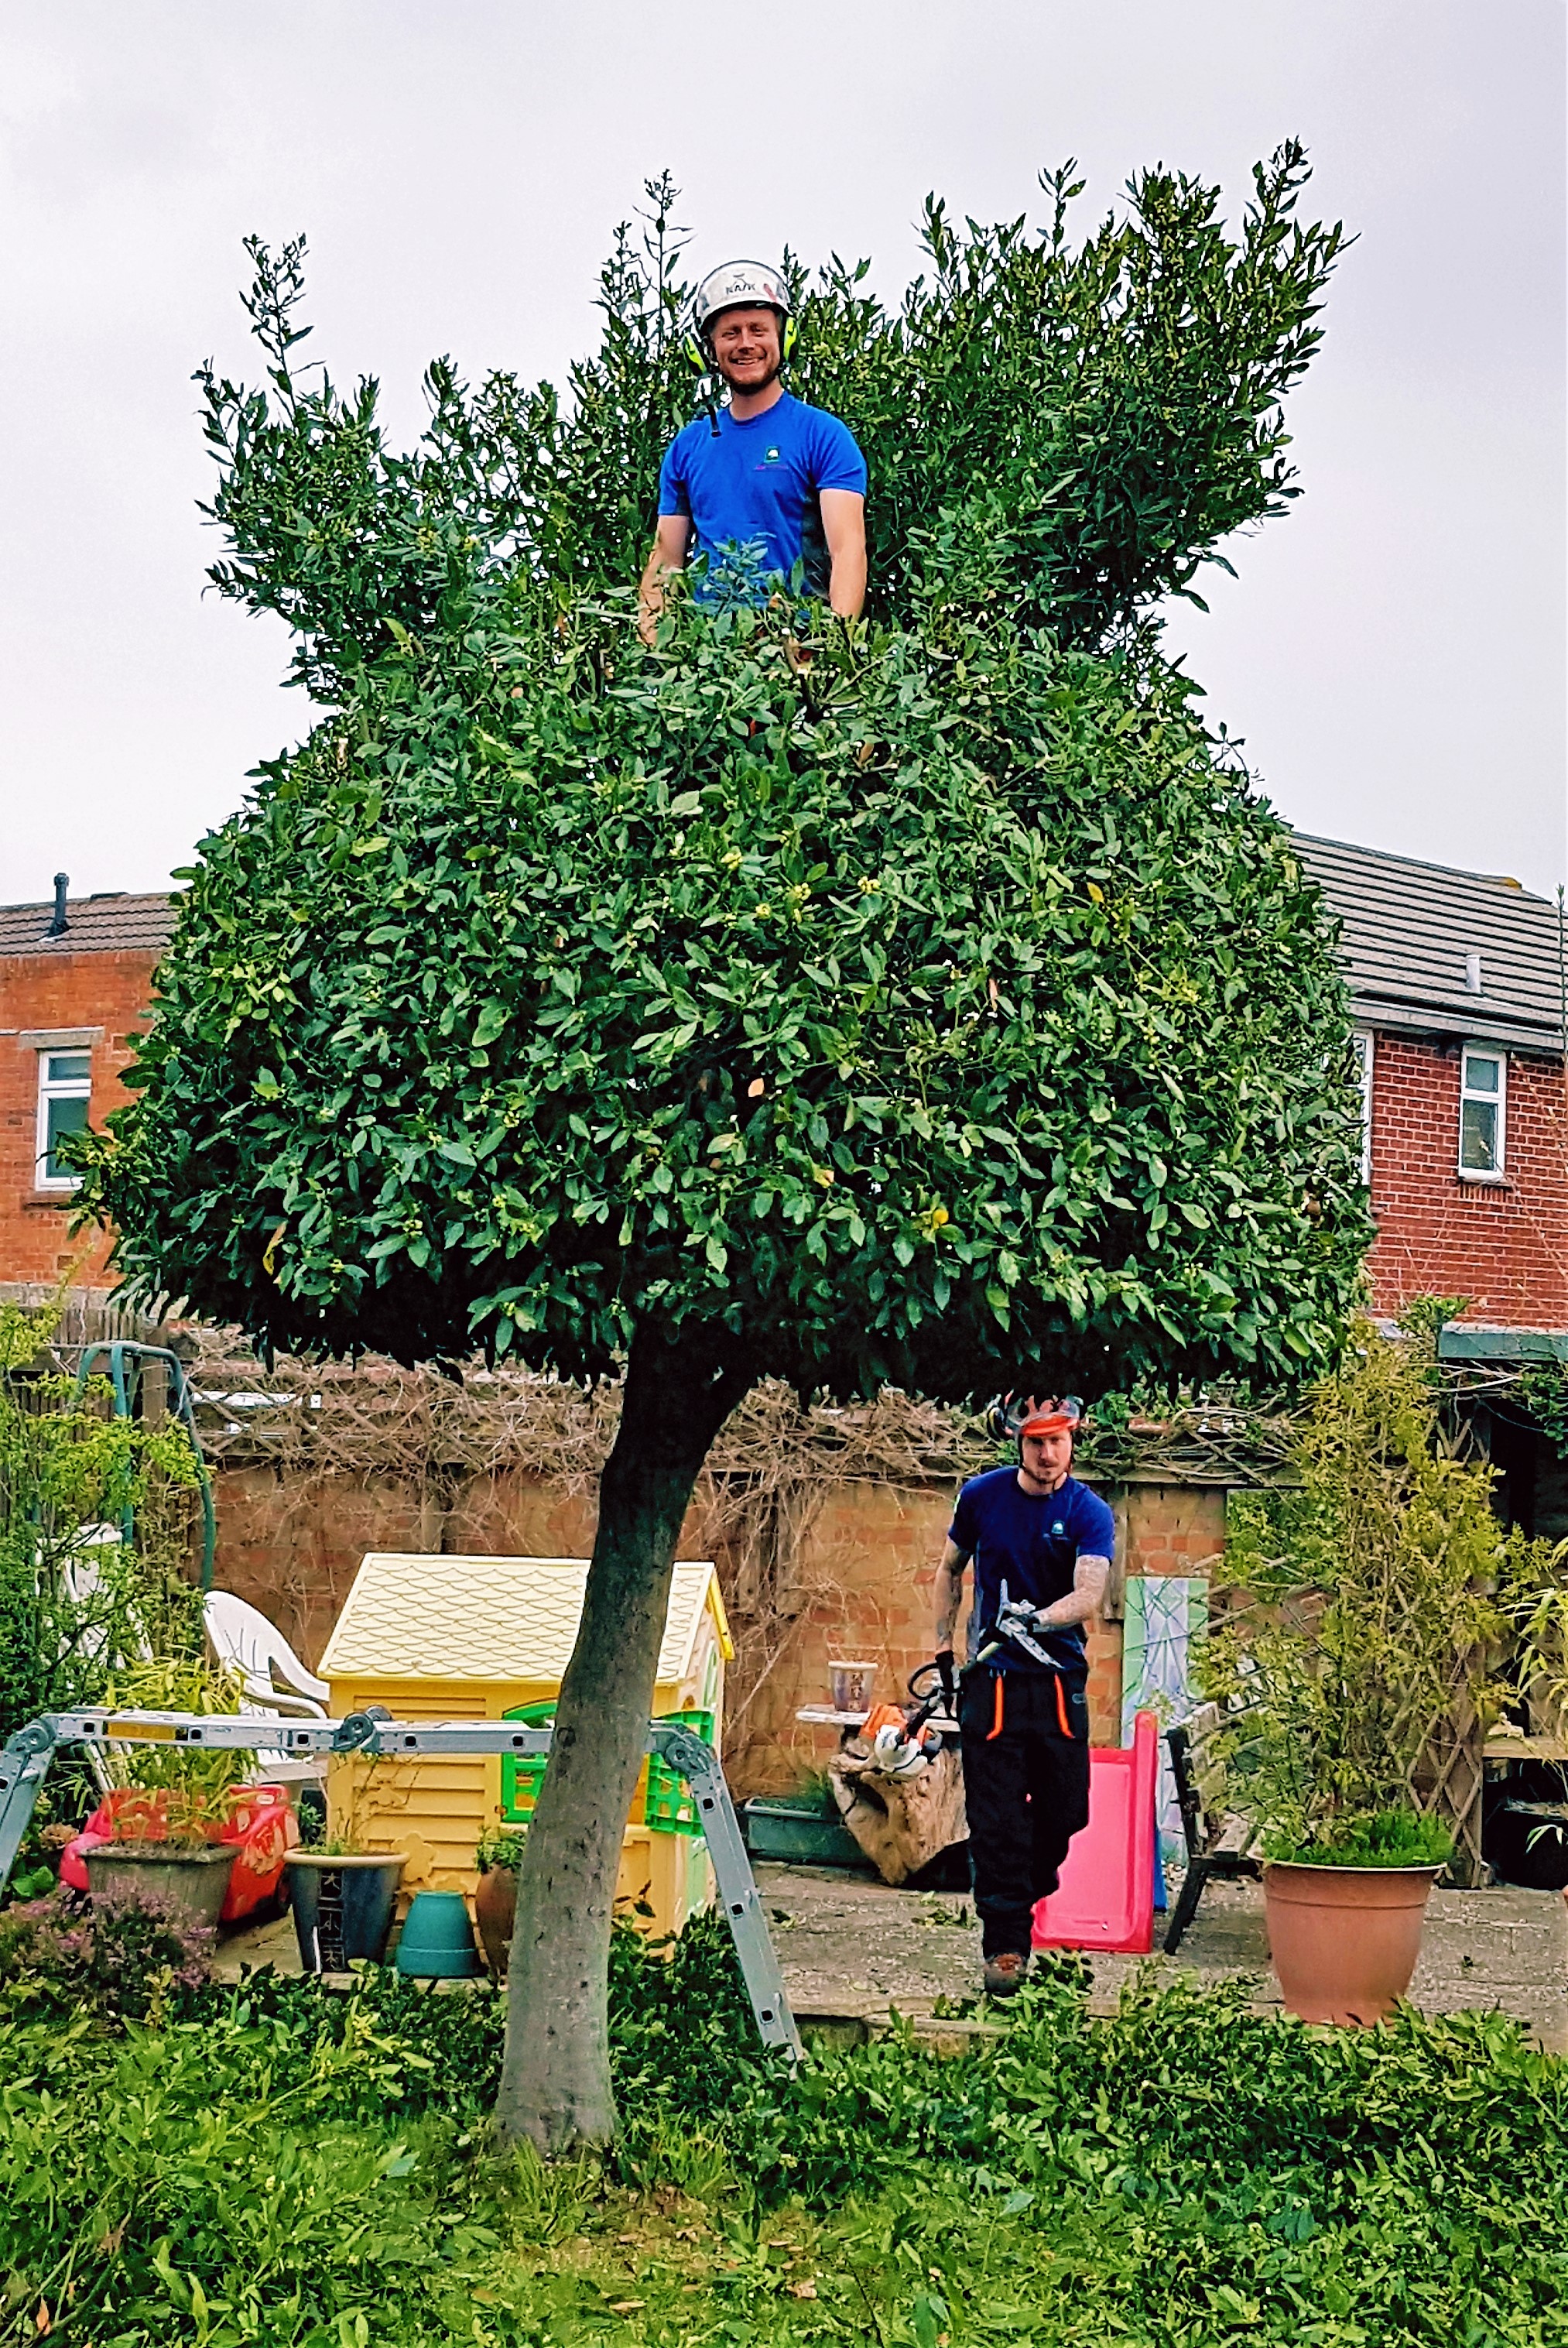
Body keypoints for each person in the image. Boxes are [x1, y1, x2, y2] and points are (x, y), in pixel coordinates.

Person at [931, 1397, 1114, 1996]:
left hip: (1058, 1682)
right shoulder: (981, 1497)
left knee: (1068, 1811)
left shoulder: (1089, 1512)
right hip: (993, 1684)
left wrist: (1037, 1619)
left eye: (1057, 1440)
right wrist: (943, 1650)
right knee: (996, 1819)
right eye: (1037, 1441)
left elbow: (1089, 1592)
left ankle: (1016, 1893)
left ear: (1071, 1441)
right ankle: (1005, 1943)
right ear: (1018, 1441)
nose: (1047, 1452)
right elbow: (949, 1568)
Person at [638, 259, 868, 643]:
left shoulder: (823, 436)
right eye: (730, 333)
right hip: (707, 662)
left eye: (758, 330)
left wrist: (831, 650)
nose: (745, 344)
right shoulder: (687, 447)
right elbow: (664, 562)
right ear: (706, 349)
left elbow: (849, 555)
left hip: (795, 652)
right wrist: (652, 650)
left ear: (784, 338)